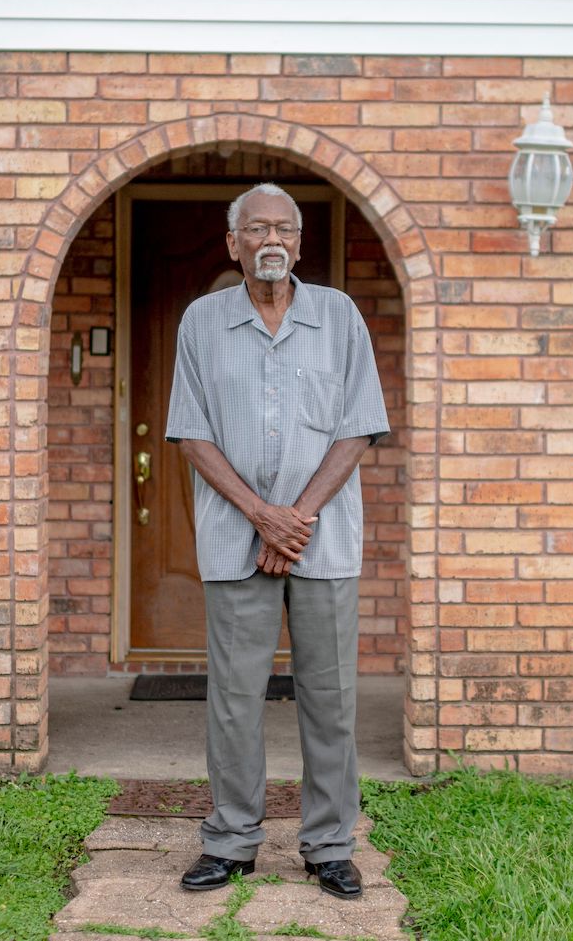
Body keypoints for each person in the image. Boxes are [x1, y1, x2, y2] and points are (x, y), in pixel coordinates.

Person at [165, 182, 389, 901]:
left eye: (285, 229)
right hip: (237, 539)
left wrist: (292, 519)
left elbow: (357, 429)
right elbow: (191, 435)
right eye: (256, 227)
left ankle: (329, 846)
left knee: (330, 697)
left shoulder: (340, 316)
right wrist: (263, 515)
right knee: (233, 699)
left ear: (299, 242)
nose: (272, 239)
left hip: (323, 542)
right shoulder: (201, 323)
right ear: (232, 243)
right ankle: (231, 841)